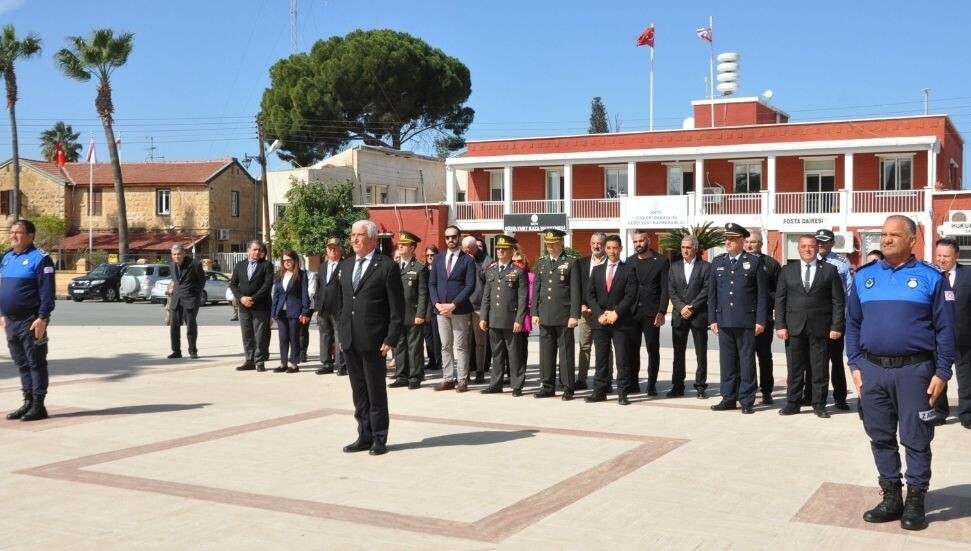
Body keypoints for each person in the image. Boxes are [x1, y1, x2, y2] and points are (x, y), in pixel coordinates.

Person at [848, 215, 954, 531]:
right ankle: (892, 497)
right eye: (884, 234)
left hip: (916, 372)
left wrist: (942, 372)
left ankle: (916, 499)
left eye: (894, 234)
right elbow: (853, 323)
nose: (887, 239)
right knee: (879, 436)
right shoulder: (864, 277)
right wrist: (854, 363)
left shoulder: (930, 277)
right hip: (873, 371)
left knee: (916, 439)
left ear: (912, 240)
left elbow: (946, 328)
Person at [338, 219, 404, 456]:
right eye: (353, 235)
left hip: (376, 340)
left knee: (376, 391)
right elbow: (343, 303)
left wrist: (391, 337)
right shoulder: (345, 266)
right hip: (350, 339)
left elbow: (397, 308)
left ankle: (378, 438)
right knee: (359, 391)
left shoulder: (386, 266)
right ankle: (363, 435)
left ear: (374, 239)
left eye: (360, 235)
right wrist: (341, 332)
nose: (355, 239)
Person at [775, 235, 845, 418]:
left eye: (811, 246)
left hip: (821, 327)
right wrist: (780, 325)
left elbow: (838, 301)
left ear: (817, 248)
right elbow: (780, 299)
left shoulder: (830, 270)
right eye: (804, 246)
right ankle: (793, 402)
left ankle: (819, 404)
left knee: (819, 368)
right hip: (793, 327)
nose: (807, 249)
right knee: (795, 368)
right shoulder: (787, 270)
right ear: (798, 249)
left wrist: (836, 326)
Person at [708, 223, 768, 414]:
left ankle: (747, 399)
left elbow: (761, 295)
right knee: (727, 361)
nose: (728, 242)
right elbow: (712, 294)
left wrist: (760, 320)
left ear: (742, 241)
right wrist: (712, 319)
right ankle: (728, 397)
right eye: (727, 238)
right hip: (724, 320)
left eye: (732, 239)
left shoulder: (754, 262)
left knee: (746, 361)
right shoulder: (718, 262)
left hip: (746, 320)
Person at [1, 220, 55, 422]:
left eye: (19, 232)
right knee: (22, 363)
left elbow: (47, 293)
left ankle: (38, 405)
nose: (13, 236)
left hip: (30, 321)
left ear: (31, 236)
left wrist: (42, 318)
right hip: (11, 322)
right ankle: (27, 401)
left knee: (36, 363)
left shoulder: (40, 259)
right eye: (11, 232)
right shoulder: (7, 258)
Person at [585, 234, 638, 405]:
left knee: (622, 359)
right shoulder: (597, 270)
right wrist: (599, 313)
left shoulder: (628, 269)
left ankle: (622, 392)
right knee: (600, 359)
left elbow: (631, 295)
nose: (612, 251)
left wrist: (616, 313)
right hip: (600, 321)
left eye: (615, 248)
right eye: (609, 248)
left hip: (620, 322)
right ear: (605, 249)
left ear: (620, 248)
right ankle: (599, 391)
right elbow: (590, 294)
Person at [532, 229, 581, 400]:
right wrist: (535, 312)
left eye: (553, 244)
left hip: (563, 315)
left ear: (561, 243)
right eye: (548, 244)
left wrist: (574, 315)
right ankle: (547, 385)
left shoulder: (571, 262)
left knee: (566, 352)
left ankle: (568, 386)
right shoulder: (542, 263)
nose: (550, 247)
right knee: (546, 352)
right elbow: (537, 290)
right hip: (545, 314)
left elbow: (575, 291)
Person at [479, 235, 528, 395]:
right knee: (497, 353)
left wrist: (519, 319)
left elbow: (523, 298)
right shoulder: (491, 270)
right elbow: (486, 296)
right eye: (498, 248)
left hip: (511, 318)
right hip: (494, 318)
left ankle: (516, 385)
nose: (500, 251)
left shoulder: (518, 270)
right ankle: (496, 383)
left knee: (514, 354)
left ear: (511, 251)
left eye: (504, 248)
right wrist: (483, 317)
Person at [429, 225, 476, 392]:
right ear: (444, 238)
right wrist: (437, 304)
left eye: (454, 237)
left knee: (461, 346)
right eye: (447, 237)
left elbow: (470, 286)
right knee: (445, 345)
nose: (450, 240)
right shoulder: (438, 259)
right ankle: (448, 378)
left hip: (460, 309)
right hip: (441, 310)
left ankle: (462, 380)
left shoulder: (468, 260)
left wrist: (453, 304)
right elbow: (432, 284)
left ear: (459, 238)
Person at [931, 238, 969, 427]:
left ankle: (967, 414)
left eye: (946, 256)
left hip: (964, 338)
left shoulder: (968, 275)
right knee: (938, 375)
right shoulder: (930, 275)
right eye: (938, 255)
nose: (942, 259)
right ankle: (939, 411)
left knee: (966, 378)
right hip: (937, 339)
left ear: (956, 256)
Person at [627, 229, 669, 396]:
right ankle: (633, 383)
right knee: (632, 349)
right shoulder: (629, 262)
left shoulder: (661, 261)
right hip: (632, 312)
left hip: (652, 313)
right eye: (635, 242)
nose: (638, 244)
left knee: (652, 349)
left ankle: (652, 384)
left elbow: (665, 289)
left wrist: (662, 311)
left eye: (641, 241)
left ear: (649, 241)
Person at [668, 235, 711, 399]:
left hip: (698, 315)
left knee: (701, 353)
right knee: (678, 353)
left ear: (695, 248)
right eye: (683, 247)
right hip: (679, 316)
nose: (685, 250)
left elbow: (706, 290)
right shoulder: (674, 267)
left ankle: (700, 386)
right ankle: (677, 386)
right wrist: (681, 307)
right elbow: (671, 291)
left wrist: (691, 307)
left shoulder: (706, 267)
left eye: (688, 247)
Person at [816, 228, 852, 410]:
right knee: (813, 360)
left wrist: (844, 318)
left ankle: (840, 397)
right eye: (818, 241)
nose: (820, 244)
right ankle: (812, 396)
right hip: (814, 318)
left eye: (824, 241)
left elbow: (848, 292)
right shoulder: (808, 260)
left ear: (832, 243)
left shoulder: (842, 263)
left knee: (836, 360)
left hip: (834, 319)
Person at [744, 231, 782, 404]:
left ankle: (766, 391)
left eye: (753, 242)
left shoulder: (771, 264)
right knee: (743, 358)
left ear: (760, 244)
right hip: (741, 319)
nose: (749, 245)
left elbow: (780, 294)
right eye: (746, 241)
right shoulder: (736, 262)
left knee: (764, 357)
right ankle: (745, 391)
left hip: (763, 319)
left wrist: (765, 297)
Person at [389, 231, 428, 390]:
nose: (400, 246)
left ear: (412, 247)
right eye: (400, 244)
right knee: (399, 346)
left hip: (413, 313)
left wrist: (421, 314)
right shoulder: (393, 266)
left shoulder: (419, 267)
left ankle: (415, 376)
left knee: (414, 347)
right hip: (397, 314)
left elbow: (423, 293)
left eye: (404, 244)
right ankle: (401, 376)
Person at [230, 240, 275, 372]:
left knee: (260, 334)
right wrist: (241, 298)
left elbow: (267, 285)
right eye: (254, 249)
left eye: (259, 250)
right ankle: (249, 360)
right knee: (247, 334)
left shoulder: (266, 265)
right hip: (243, 306)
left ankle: (259, 361)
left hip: (260, 306)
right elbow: (233, 284)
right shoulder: (240, 265)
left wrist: (253, 299)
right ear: (248, 250)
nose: (257, 252)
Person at [577, 232, 610, 390]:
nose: (596, 246)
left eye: (599, 244)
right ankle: (581, 379)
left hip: (603, 314)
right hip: (584, 312)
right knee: (584, 346)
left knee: (604, 348)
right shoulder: (582, 263)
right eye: (593, 243)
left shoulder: (611, 263)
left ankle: (607, 380)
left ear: (604, 245)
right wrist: (581, 305)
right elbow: (577, 288)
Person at [271, 250, 312, 373]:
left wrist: (305, 312)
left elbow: (305, 294)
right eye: (284, 260)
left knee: (294, 338)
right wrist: (273, 312)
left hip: (295, 310)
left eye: (289, 260)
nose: (286, 263)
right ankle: (283, 363)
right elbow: (276, 295)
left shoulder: (301, 275)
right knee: (283, 338)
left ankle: (294, 364)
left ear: (294, 260)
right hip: (281, 311)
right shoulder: (279, 275)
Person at [167, 243, 205, 360]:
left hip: (190, 300)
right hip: (176, 300)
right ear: (172, 255)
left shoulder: (194, 264)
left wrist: (196, 297)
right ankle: (176, 351)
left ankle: (193, 351)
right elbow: (176, 282)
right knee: (174, 327)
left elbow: (201, 282)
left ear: (184, 253)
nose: (177, 256)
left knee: (191, 327)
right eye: (174, 254)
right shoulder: (172, 266)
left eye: (179, 254)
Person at [315, 238, 347, 375]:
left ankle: (341, 365)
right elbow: (319, 288)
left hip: (338, 307)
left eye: (335, 248)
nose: (332, 250)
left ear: (341, 250)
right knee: (325, 336)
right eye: (329, 248)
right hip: (323, 308)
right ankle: (327, 363)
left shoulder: (345, 266)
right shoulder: (322, 266)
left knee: (340, 336)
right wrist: (317, 307)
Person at [463, 235, 489, 384]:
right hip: (464, 306)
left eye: (470, 250)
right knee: (464, 342)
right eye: (465, 250)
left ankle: (480, 371)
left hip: (479, 307)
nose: (467, 253)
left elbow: (487, 286)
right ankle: (464, 372)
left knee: (480, 343)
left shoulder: (486, 261)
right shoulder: (462, 258)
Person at [511, 247, 535, 393]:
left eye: (519, 261)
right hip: (508, 315)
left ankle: (519, 377)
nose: (516, 263)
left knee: (519, 349)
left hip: (523, 316)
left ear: (525, 262)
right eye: (513, 261)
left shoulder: (530, 277)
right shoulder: (508, 274)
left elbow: (530, 299)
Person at [422, 245, 443, 372]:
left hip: (435, 307)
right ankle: (431, 359)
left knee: (436, 337)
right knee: (428, 337)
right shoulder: (424, 269)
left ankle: (437, 360)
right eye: (428, 255)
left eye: (432, 255)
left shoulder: (440, 269)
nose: (430, 257)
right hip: (424, 308)